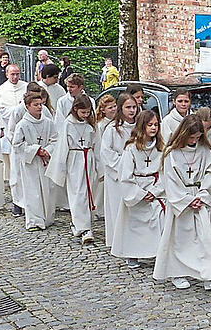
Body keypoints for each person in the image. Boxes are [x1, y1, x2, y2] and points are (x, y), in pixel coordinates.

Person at [152, 114, 211, 290]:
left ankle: (208, 276)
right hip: (181, 200)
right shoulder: (172, 153)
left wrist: (203, 194)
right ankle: (178, 273)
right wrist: (187, 200)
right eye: (191, 137)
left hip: (199, 195)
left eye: (198, 137)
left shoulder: (204, 150)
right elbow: (170, 179)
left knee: (205, 238)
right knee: (180, 239)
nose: (194, 140)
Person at [111, 110, 165, 267]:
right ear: (142, 126)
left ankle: (157, 252)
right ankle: (133, 254)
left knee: (158, 219)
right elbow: (126, 175)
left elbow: (165, 172)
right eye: (150, 125)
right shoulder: (131, 148)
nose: (154, 128)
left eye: (156, 125)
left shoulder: (161, 147)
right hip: (137, 190)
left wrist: (155, 191)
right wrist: (140, 194)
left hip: (155, 189)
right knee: (134, 224)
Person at [45, 95, 99, 244]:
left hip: (88, 159)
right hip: (74, 160)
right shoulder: (68, 123)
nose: (86, 115)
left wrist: (99, 166)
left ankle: (80, 224)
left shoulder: (91, 124)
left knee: (88, 192)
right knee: (77, 194)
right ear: (75, 109)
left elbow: (97, 145)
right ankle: (84, 228)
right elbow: (63, 147)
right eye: (83, 112)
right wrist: (60, 168)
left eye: (88, 112)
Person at [12, 90, 58, 230]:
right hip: (30, 164)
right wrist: (35, 150)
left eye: (41, 104)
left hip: (45, 162)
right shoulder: (23, 125)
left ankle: (48, 217)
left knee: (48, 189)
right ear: (27, 106)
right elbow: (17, 144)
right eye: (35, 104)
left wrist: (48, 150)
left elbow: (55, 139)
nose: (39, 107)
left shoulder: (48, 123)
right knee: (33, 191)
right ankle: (34, 220)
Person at [100, 93, 139, 248]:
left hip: (137, 174)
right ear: (121, 108)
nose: (132, 111)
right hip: (117, 174)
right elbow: (106, 152)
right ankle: (119, 242)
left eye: (134, 107)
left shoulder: (139, 126)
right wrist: (125, 165)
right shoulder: (112, 129)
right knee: (118, 209)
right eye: (128, 107)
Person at [0, 64, 28, 215]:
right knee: (13, 169)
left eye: (17, 74)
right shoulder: (2, 90)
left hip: (28, 134)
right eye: (12, 74)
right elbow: (1, 110)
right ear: (7, 74)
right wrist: (17, 109)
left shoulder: (26, 87)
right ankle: (17, 202)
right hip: (11, 132)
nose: (15, 77)